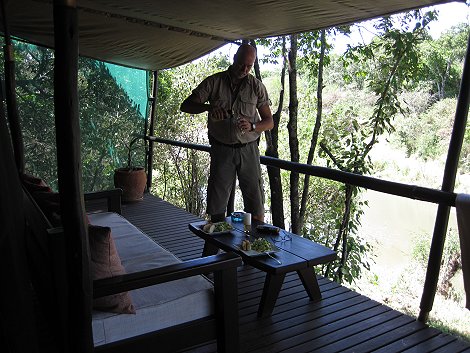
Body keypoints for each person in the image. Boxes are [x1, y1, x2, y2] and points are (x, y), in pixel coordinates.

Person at [180, 44, 274, 223]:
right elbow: (186, 106)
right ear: (234, 59)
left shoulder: (256, 86)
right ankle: (216, 247)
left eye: (249, 66)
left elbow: (269, 122)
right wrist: (209, 107)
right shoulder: (214, 82)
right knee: (217, 206)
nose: (244, 69)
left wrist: (253, 126)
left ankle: (253, 248)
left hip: (249, 150)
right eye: (241, 64)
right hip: (221, 149)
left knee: (256, 205)